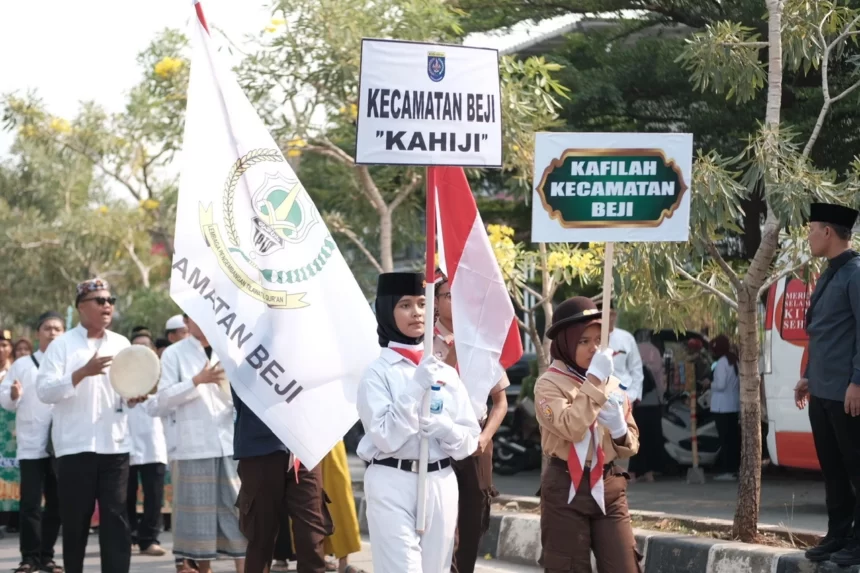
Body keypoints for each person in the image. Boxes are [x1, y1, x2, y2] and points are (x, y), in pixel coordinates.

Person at [357, 272, 480, 573]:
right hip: (392, 478)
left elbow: (468, 441)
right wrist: (415, 387)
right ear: (388, 311)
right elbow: (386, 436)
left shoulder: (444, 371)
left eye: (423, 304)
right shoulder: (377, 373)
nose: (417, 313)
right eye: (405, 305)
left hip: (440, 481)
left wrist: (448, 430)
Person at [35, 278, 142, 573]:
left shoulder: (121, 344)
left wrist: (135, 396)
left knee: (116, 518)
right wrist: (82, 372)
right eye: (100, 300)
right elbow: (44, 391)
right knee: (76, 520)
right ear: (81, 307)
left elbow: (128, 389)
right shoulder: (61, 346)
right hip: (75, 446)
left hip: (115, 444)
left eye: (111, 300)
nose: (107, 305)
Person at [534, 296, 641, 573]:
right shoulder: (549, 384)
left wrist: (619, 429)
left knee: (624, 566)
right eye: (584, 341)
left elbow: (631, 444)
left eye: (598, 340)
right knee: (568, 567)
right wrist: (593, 381)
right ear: (565, 343)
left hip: (609, 485)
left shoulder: (611, 382)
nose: (594, 348)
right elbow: (571, 426)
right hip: (566, 486)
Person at [795, 202, 860, 565]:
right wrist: (810, 378)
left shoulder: (855, 273)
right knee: (833, 469)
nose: (808, 236)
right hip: (822, 390)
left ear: (828, 233)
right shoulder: (831, 273)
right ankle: (838, 535)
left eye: (811, 229)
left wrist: (858, 382)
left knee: (855, 468)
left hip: (847, 393)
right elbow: (827, 334)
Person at [155, 315, 246, 573]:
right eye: (196, 315)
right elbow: (162, 400)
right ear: (186, 320)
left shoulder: (232, 348)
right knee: (197, 519)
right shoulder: (173, 354)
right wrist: (196, 381)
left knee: (238, 512)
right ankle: (203, 569)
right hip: (192, 447)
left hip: (231, 444)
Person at [433, 271, 507, 573]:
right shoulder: (423, 340)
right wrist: (453, 353)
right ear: (436, 302)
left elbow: (500, 400)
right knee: (442, 523)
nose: (455, 301)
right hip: (437, 442)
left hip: (474, 444)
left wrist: (485, 437)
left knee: (472, 520)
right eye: (448, 295)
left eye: (459, 295)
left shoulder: (479, 341)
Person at [233, 348, 331, 573]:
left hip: (305, 445)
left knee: (312, 536)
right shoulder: (244, 337)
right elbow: (240, 384)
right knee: (261, 537)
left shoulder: (309, 336)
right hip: (261, 446)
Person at [0, 312, 64, 573]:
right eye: (47, 328)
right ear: (38, 332)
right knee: (30, 504)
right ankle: (29, 558)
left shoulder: (68, 363)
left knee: (56, 503)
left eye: (58, 329)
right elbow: (5, 399)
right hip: (31, 444)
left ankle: (47, 556)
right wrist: (13, 395)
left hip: (61, 444)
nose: (52, 333)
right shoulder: (23, 365)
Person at [127, 333, 168, 557]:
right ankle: (128, 535)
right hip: (126, 441)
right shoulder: (120, 375)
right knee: (126, 494)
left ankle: (149, 539)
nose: (141, 351)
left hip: (155, 442)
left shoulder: (163, 375)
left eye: (145, 347)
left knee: (154, 494)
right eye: (136, 347)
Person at [628, 331, 665, 483]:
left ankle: (632, 473)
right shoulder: (655, 351)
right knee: (651, 438)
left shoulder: (632, 350)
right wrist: (661, 398)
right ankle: (648, 472)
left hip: (636, 402)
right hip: (653, 401)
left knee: (635, 437)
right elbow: (660, 379)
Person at [709, 334, 740, 482]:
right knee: (732, 439)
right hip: (733, 405)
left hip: (722, 407)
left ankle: (728, 470)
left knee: (725, 440)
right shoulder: (734, 360)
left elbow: (720, 385)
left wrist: (709, 384)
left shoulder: (721, 363)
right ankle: (734, 468)